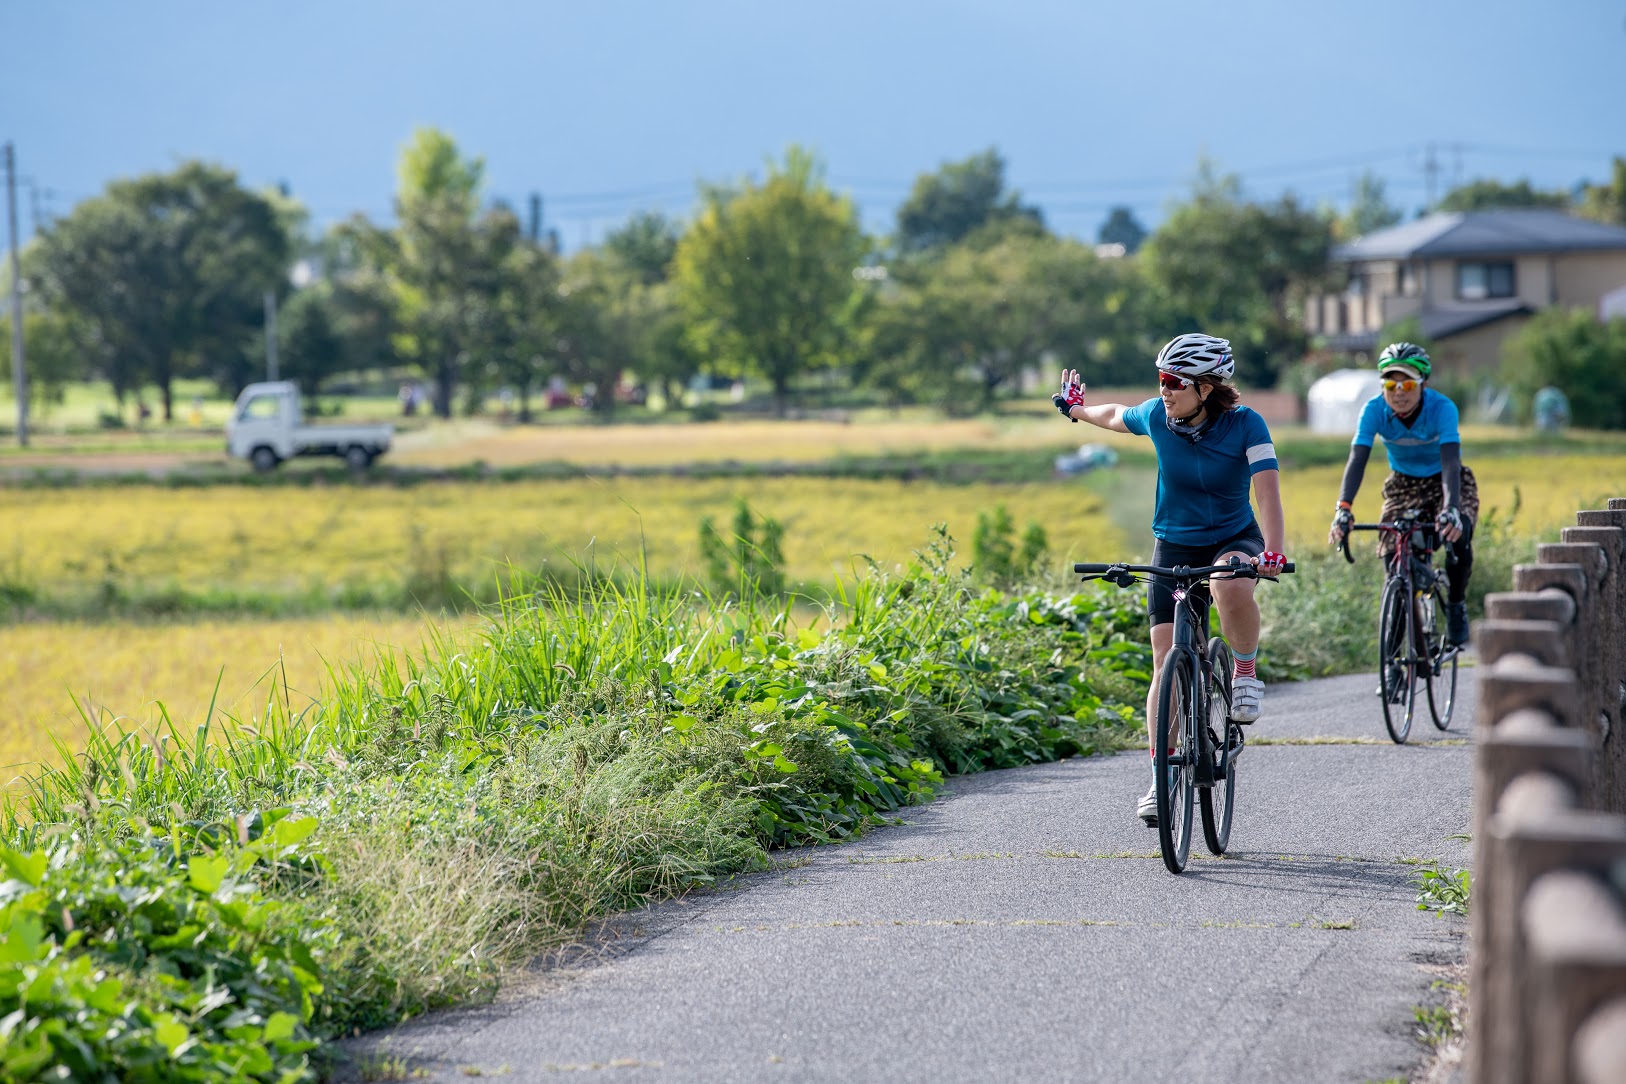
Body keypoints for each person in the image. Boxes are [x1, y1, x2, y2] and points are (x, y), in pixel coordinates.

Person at [1053, 333, 1287, 826]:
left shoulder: (1246, 425)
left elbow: (1267, 490)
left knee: (1227, 582)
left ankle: (1244, 670)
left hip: (1233, 538)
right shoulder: (1159, 417)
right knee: (1164, 661)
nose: (1165, 390)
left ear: (1206, 388)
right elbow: (1116, 415)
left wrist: (1271, 550)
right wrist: (1075, 410)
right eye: (1161, 380)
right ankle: (1162, 777)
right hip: (1175, 545)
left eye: (1175, 382)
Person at [1326, 342, 1475, 647]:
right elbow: (1357, 459)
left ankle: (1457, 605)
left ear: (1423, 384)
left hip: (1444, 480)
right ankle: (1393, 654)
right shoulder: (1373, 410)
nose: (1399, 392)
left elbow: (1450, 462)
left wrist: (1452, 509)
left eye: (1407, 383)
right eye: (1390, 384)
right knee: (1393, 559)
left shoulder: (1442, 408)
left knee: (1458, 533)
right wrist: (1343, 507)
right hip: (1403, 484)